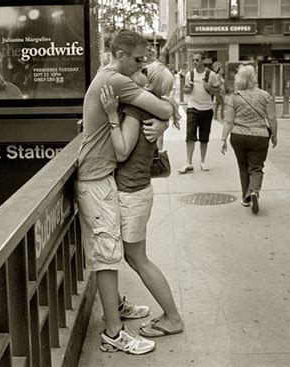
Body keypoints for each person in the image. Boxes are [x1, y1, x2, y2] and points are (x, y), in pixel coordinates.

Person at [75, 28, 178, 355]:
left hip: (105, 179)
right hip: (96, 180)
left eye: (145, 62)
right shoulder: (115, 81)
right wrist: (165, 115)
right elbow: (161, 108)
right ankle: (114, 334)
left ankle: (116, 313)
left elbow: (161, 107)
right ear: (119, 55)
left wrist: (164, 115)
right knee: (107, 258)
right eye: (138, 60)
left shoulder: (117, 81)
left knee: (111, 255)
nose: (142, 65)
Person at [99, 61, 184, 339]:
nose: (135, 70)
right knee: (134, 257)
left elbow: (122, 151)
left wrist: (113, 115)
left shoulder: (136, 109)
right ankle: (164, 314)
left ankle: (172, 317)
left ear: (146, 81)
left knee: (137, 259)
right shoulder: (153, 107)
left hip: (131, 194)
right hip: (138, 191)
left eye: (142, 68)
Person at [221, 65, 278, 214]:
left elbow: (228, 121)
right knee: (256, 167)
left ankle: (245, 197)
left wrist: (223, 139)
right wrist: (275, 136)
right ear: (254, 77)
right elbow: (271, 118)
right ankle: (254, 191)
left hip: (238, 136)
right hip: (259, 137)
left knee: (243, 167)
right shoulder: (265, 95)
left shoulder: (235, 96)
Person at [178, 53, 220, 173]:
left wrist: (209, 88)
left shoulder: (211, 75)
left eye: (197, 60)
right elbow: (185, 91)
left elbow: (218, 92)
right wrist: (188, 89)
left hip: (206, 109)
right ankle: (188, 163)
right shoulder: (189, 74)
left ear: (203, 61)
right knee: (190, 136)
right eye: (194, 60)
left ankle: (202, 161)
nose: (195, 62)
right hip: (192, 108)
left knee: (204, 137)